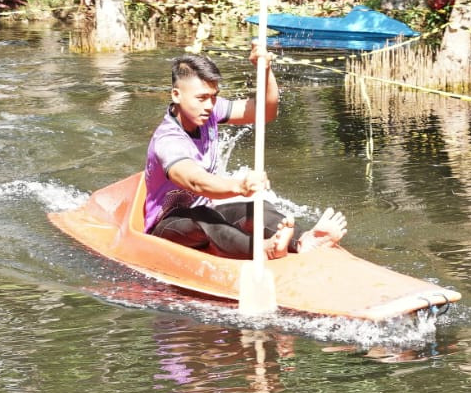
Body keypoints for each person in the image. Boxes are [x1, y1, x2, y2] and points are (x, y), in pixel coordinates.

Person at [144, 47, 347, 260]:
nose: (209, 105)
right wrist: (239, 186)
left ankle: (303, 240)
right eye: (201, 98)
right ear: (176, 95)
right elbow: (197, 182)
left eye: (214, 97)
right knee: (205, 218)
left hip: (205, 210)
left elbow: (265, 112)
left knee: (257, 208)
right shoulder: (168, 141)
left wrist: (265, 71)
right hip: (167, 226)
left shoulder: (210, 111)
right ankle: (262, 249)